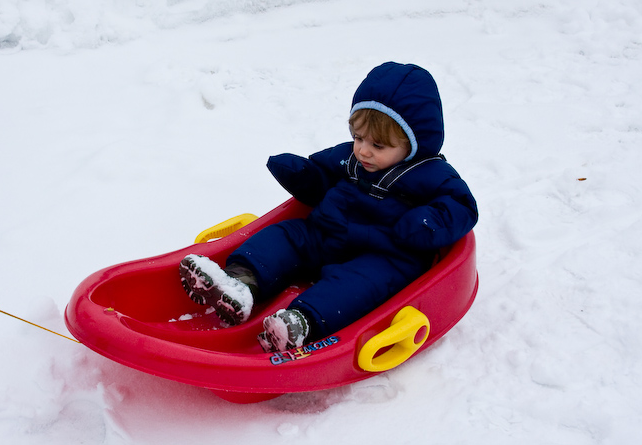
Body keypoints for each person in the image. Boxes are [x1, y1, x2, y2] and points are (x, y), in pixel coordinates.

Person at [179, 62, 478, 352]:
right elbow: (322, 175)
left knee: (359, 284)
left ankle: (301, 323)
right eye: (358, 137)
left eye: (378, 145)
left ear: (414, 143)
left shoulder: (430, 173)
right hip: (327, 235)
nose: (362, 149)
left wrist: (424, 223)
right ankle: (240, 285)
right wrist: (304, 177)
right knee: (286, 235)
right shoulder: (349, 156)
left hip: (384, 254)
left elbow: (462, 207)